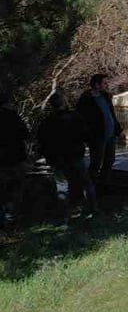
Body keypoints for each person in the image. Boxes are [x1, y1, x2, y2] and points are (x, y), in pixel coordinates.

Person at [37, 89, 96, 217]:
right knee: (85, 182)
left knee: (62, 186)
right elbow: (86, 135)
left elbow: (41, 141)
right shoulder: (75, 117)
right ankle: (91, 210)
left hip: (57, 160)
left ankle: (64, 215)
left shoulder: (47, 122)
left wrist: (47, 156)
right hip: (75, 156)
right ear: (64, 103)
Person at [76, 74, 121, 190]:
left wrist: (116, 127)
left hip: (110, 134)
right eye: (104, 83)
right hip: (97, 137)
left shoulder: (105, 96)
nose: (107, 85)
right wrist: (87, 135)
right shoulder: (86, 100)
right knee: (96, 162)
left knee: (110, 160)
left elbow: (110, 113)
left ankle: (104, 185)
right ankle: (91, 188)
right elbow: (81, 119)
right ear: (96, 85)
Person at [0, 106, 30, 227]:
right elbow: (25, 133)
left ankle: (5, 218)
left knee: (3, 190)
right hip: (16, 157)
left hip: (2, 161)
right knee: (17, 188)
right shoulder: (11, 114)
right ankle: (14, 216)